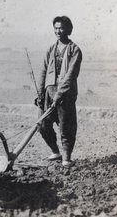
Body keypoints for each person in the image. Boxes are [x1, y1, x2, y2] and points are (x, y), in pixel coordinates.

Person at [36, 16, 83, 167]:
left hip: (65, 94)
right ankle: (55, 152)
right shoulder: (51, 49)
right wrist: (40, 93)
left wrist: (59, 94)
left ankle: (66, 158)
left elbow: (71, 75)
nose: (58, 31)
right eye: (56, 28)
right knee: (42, 125)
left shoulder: (75, 50)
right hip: (48, 93)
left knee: (66, 126)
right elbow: (43, 72)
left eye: (61, 28)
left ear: (68, 29)